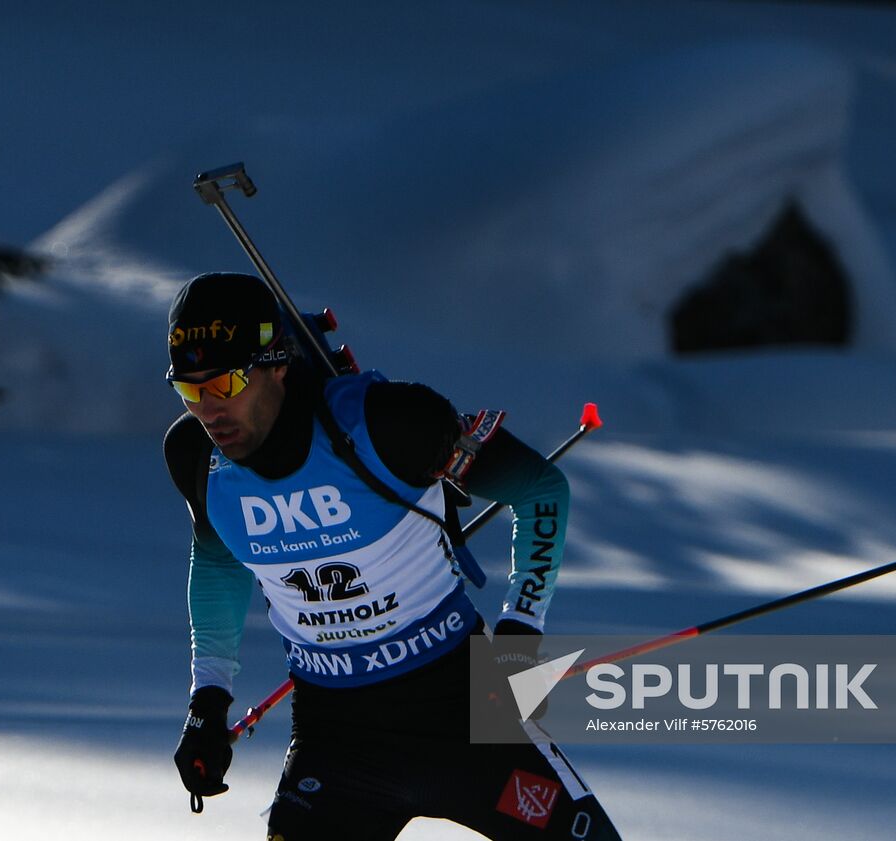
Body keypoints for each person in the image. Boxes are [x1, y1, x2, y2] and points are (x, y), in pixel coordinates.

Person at [162, 272, 621, 840]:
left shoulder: (388, 424)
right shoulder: (196, 458)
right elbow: (218, 561)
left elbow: (540, 489)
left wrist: (521, 634)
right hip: (338, 742)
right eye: (189, 389)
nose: (207, 409)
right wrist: (208, 702)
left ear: (277, 363)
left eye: (225, 384)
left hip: (468, 714)